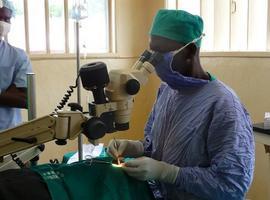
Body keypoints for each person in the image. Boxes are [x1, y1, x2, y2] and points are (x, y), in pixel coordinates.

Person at [107, 9, 255, 200]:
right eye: (152, 51)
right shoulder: (167, 90)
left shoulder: (224, 106)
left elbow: (232, 185)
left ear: (189, 51)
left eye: (161, 52)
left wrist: (169, 173)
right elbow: (158, 146)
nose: (153, 61)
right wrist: (135, 148)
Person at [0, 0, 32, 131]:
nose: (2, 23)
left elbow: (24, 99)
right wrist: (6, 94)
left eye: (6, 19)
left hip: (7, 134)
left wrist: (14, 96)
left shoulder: (18, 56)